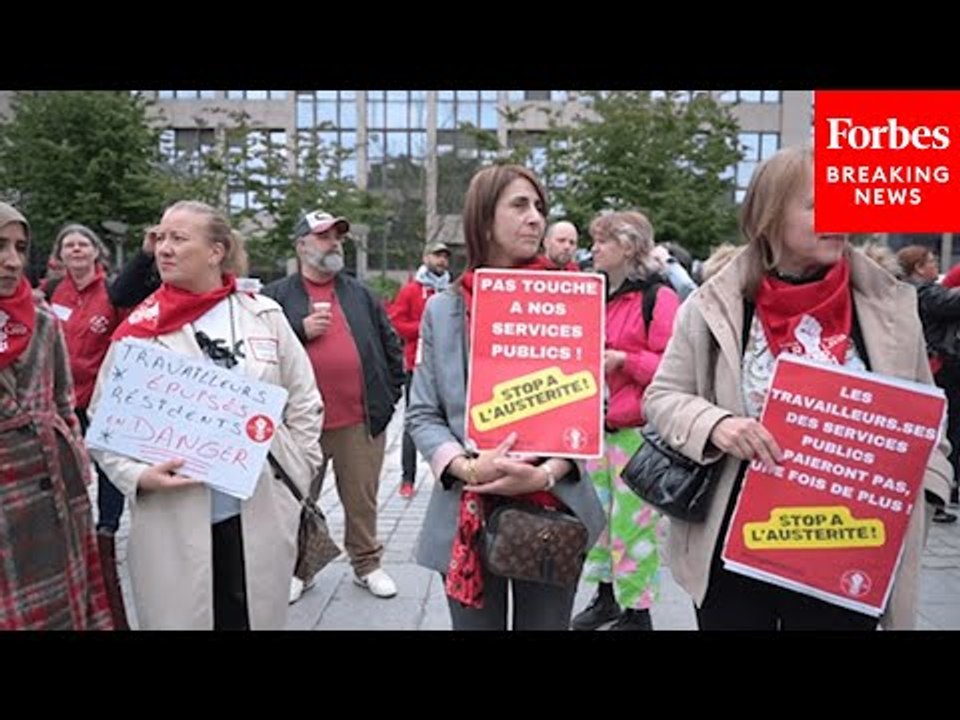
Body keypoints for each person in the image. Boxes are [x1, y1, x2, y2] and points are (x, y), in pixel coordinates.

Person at [643, 146, 953, 630]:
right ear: (769, 215)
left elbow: (929, 418)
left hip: (850, 544)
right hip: (736, 546)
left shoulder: (890, 305)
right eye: (817, 205)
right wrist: (717, 425)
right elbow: (662, 397)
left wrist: (927, 495)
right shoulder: (715, 303)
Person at [89, 200, 325, 630]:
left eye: (178, 238)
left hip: (261, 512)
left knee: (253, 617)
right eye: (160, 237)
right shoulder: (139, 331)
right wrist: (137, 478)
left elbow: (305, 399)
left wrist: (301, 469)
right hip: (172, 522)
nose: (163, 248)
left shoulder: (263, 315)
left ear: (216, 251)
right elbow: (103, 425)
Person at [406, 164, 605, 630]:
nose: (535, 218)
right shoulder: (445, 309)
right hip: (468, 511)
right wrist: (470, 467)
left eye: (539, 207)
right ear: (483, 219)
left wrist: (545, 473)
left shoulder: (571, 300)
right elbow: (422, 413)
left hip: (553, 509)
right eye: (519, 205)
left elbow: (594, 404)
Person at [263, 209, 404, 603]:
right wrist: (299, 331)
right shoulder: (276, 297)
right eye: (324, 236)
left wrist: (390, 397)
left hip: (359, 421)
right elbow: (259, 355)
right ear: (302, 245)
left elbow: (391, 346)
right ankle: (299, 569)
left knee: (362, 500)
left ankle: (367, 565)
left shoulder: (359, 293)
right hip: (299, 425)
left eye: (337, 236)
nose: (334, 243)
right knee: (298, 501)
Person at [0, 202, 113, 629]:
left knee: (59, 610)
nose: (12, 260)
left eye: (20, 247)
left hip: (53, 496)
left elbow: (64, 403)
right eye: (0, 246)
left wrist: (77, 460)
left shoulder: (43, 319)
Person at [571, 211, 680, 631]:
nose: (593, 248)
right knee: (596, 520)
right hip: (595, 429)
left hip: (637, 433)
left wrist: (624, 360)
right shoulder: (597, 294)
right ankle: (605, 598)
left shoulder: (658, 297)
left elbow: (674, 365)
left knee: (632, 528)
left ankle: (639, 612)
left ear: (629, 246)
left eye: (602, 241)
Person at [46, 223, 131, 628]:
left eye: (83, 244)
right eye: (69, 245)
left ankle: (108, 526)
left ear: (96, 253)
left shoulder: (111, 294)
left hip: (100, 397)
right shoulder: (51, 294)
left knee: (105, 464)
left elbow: (127, 338)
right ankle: (73, 521)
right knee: (65, 461)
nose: (76, 250)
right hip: (59, 395)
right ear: (60, 256)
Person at [896, 245, 959, 523]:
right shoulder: (924, 293)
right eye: (931, 261)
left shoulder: (911, 292)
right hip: (936, 369)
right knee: (943, 430)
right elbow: (950, 303)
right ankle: (939, 492)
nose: (935, 265)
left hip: (932, 368)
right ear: (919, 268)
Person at [389, 240, 452, 499]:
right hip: (417, 365)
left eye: (445, 257)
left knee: (449, 422)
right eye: (437, 256)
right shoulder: (411, 290)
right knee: (413, 423)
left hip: (446, 367)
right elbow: (396, 321)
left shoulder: (452, 290)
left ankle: (449, 474)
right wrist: (427, 328)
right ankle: (407, 478)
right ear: (426, 257)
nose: (442, 261)